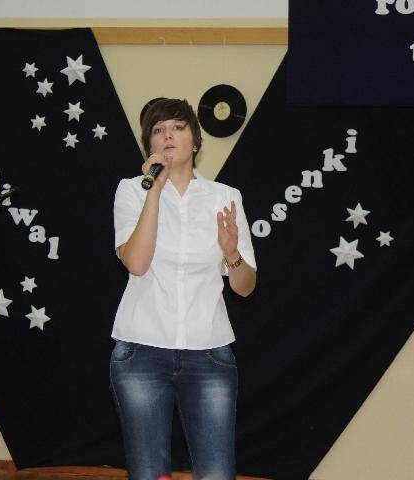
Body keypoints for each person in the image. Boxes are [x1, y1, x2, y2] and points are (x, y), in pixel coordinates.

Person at [110, 98, 257, 480]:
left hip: (208, 352)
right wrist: (154, 191)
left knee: (216, 473)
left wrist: (231, 254)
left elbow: (245, 287)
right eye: (158, 130)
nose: (168, 136)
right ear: (149, 145)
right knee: (148, 472)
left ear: (195, 141)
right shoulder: (132, 191)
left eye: (177, 127)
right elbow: (136, 263)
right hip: (141, 351)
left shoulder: (225, 197)